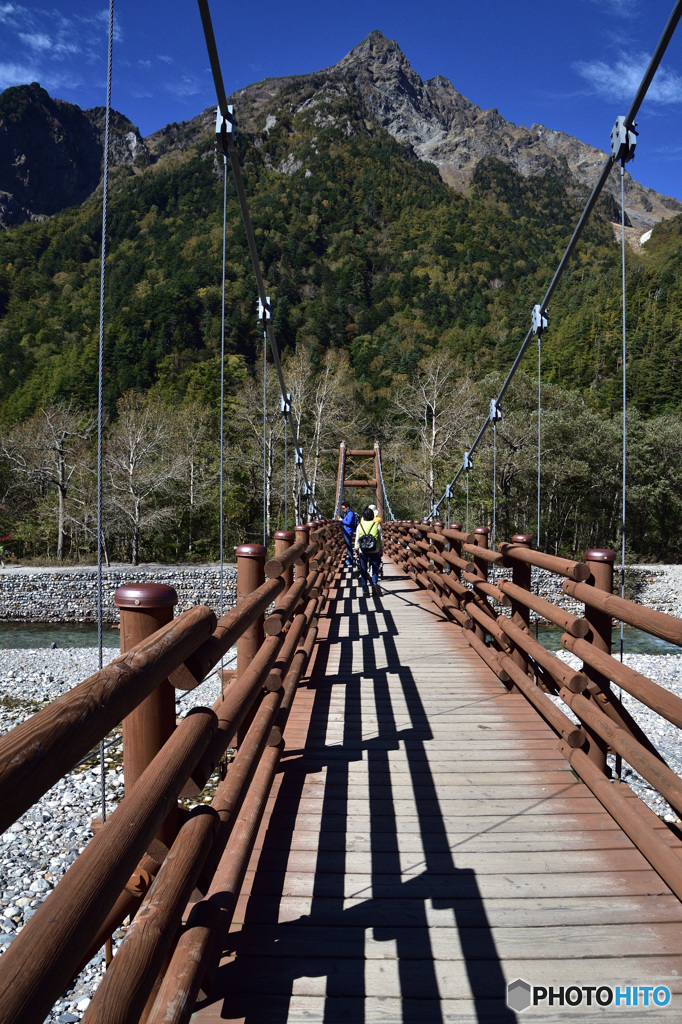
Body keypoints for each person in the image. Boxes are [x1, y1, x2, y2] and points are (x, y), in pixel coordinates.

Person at [355, 505, 383, 595]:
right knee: (375, 568)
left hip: (363, 550)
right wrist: (381, 549)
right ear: (372, 516)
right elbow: (381, 538)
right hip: (374, 550)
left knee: (363, 569)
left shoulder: (360, 526)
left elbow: (357, 539)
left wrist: (356, 550)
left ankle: (365, 588)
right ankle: (374, 583)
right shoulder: (377, 525)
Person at [339, 501, 358, 567]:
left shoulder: (350, 514)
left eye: (344, 508)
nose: (343, 510)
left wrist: (342, 521)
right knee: (348, 546)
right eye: (342, 508)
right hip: (346, 531)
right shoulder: (346, 513)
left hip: (348, 532)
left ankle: (350, 560)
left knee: (349, 546)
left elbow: (349, 522)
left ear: (348, 507)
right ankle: (350, 559)